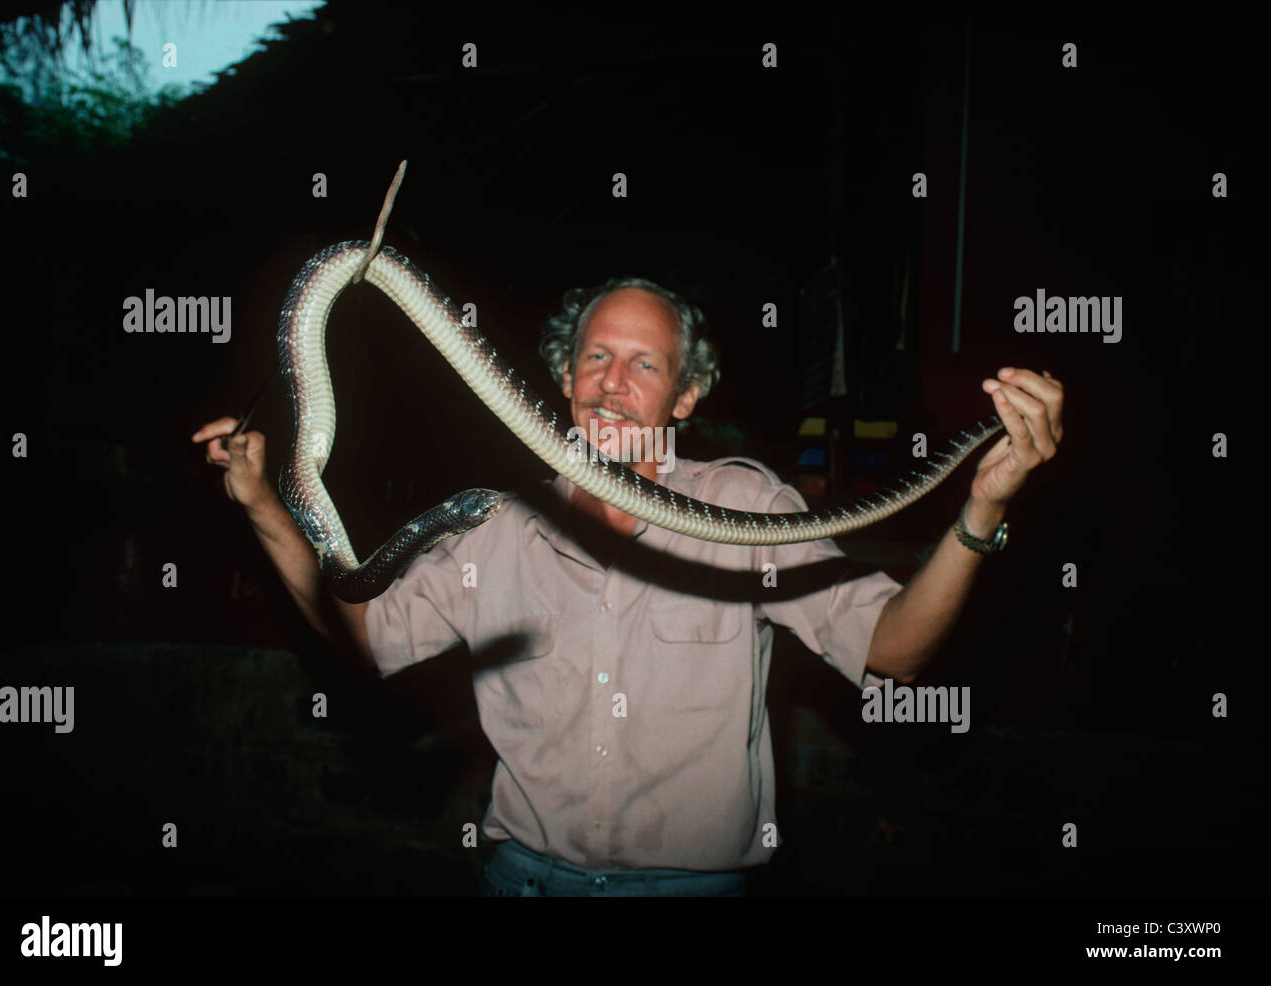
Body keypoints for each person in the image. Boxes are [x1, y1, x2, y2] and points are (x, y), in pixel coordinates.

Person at [192, 277, 1064, 897]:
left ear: (685, 397)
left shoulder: (748, 506)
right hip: (522, 878)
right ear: (563, 379)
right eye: (596, 357)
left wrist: (982, 508)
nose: (612, 383)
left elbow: (895, 651)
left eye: (645, 366)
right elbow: (368, 640)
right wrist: (268, 506)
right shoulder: (497, 527)